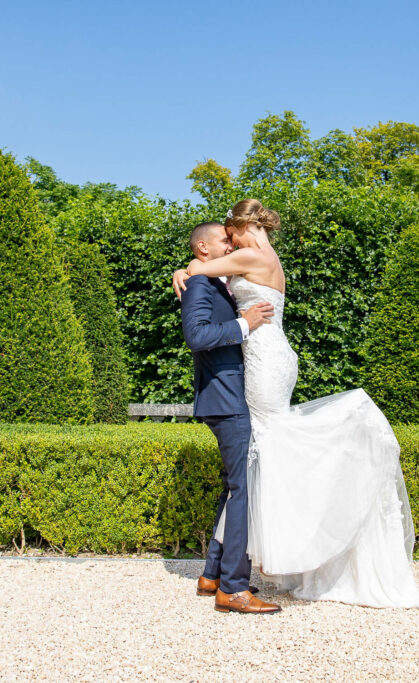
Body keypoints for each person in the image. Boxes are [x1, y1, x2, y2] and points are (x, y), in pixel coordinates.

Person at [173, 200, 419, 608]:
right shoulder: (268, 257)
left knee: (259, 462)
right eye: (222, 240)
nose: (228, 244)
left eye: (229, 234)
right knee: (254, 464)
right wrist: (196, 271)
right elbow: (204, 284)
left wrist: (183, 268)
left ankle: (231, 580)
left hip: (264, 357)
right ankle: (218, 576)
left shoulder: (247, 254)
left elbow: (198, 269)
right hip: (272, 356)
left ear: (242, 228)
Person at [179, 221, 282, 614]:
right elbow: (198, 337)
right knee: (244, 489)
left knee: (233, 486)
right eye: (225, 240)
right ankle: (234, 589)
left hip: (230, 395)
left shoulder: (211, 280)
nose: (231, 245)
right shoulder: (200, 284)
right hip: (225, 398)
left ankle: (212, 576)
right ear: (203, 247)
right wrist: (245, 323)